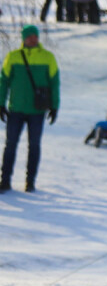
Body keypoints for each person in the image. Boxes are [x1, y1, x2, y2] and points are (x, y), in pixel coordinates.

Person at [0, 25, 60, 193]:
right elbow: (3, 81)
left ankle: (30, 181)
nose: (33, 39)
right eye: (30, 36)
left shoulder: (48, 58)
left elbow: (54, 83)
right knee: (10, 145)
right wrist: (1, 103)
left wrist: (54, 106)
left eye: (35, 36)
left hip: (37, 111)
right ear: (24, 38)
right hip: (16, 109)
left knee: (34, 145)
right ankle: (5, 180)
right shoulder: (13, 57)